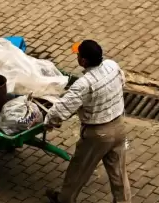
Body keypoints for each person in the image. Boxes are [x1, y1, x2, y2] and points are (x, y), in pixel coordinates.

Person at [44, 40, 131, 203]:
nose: (77, 57)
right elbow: (122, 81)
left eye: (78, 54)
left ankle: (64, 200)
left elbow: (61, 110)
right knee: (119, 173)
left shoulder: (84, 84)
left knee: (79, 169)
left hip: (97, 135)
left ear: (83, 61)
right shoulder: (112, 66)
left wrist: (49, 122)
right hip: (119, 126)